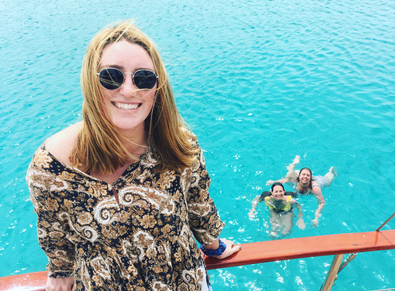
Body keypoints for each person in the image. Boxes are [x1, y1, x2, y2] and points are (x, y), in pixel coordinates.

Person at [26, 20, 240, 291]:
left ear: (156, 89)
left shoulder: (179, 145)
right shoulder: (51, 167)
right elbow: (53, 229)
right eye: (112, 76)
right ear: (91, 82)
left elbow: (198, 203)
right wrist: (60, 271)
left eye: (143, 78)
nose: (128, 90)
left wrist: (214, 245)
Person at [266, 155, 337, 227]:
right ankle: (294, 162)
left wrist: (316, 217)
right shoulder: (295, 179)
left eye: (308, 175)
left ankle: (331, 171)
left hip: (321, 181)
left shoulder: (314, 188)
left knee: (329, 179)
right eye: (303, 175)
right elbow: (285, 180)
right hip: (297, 175)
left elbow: (322, 202)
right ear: (299, 176)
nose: (305, 177)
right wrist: (273, 181)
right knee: (288, 176)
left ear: (310, 177)